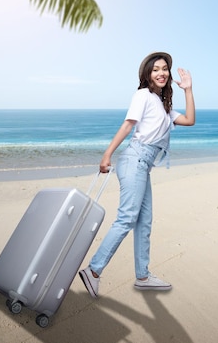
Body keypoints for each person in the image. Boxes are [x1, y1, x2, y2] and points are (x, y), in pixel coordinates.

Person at [79, 52, 195, 297]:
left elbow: (190, 120)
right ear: (147, 74)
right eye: (155, 69)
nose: (161, 73)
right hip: (135, 160)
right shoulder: (143, 95)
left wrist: (188, 89)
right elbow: (128, 125)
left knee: (144, 221)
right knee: (127, 218)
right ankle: (94, 270)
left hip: (143, 165)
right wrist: (106, 155)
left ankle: (142, 275)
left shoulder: (165, 108)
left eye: (165, 69)